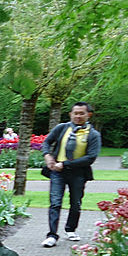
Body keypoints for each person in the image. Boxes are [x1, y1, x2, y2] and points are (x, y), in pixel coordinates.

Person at [40, 102, 102, 247]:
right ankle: (52, 235)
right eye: (75, 113)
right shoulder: (62, 128)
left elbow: (91, 157)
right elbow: (47, 142)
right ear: (70, 114)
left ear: (88, 115)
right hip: (57, 171)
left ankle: (71, 229)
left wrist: (66, 164)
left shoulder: (93, 134)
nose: (78, 116)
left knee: (76, 202)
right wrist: (47, 156)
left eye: (82, 113)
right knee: (55, 202)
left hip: (78, 172)